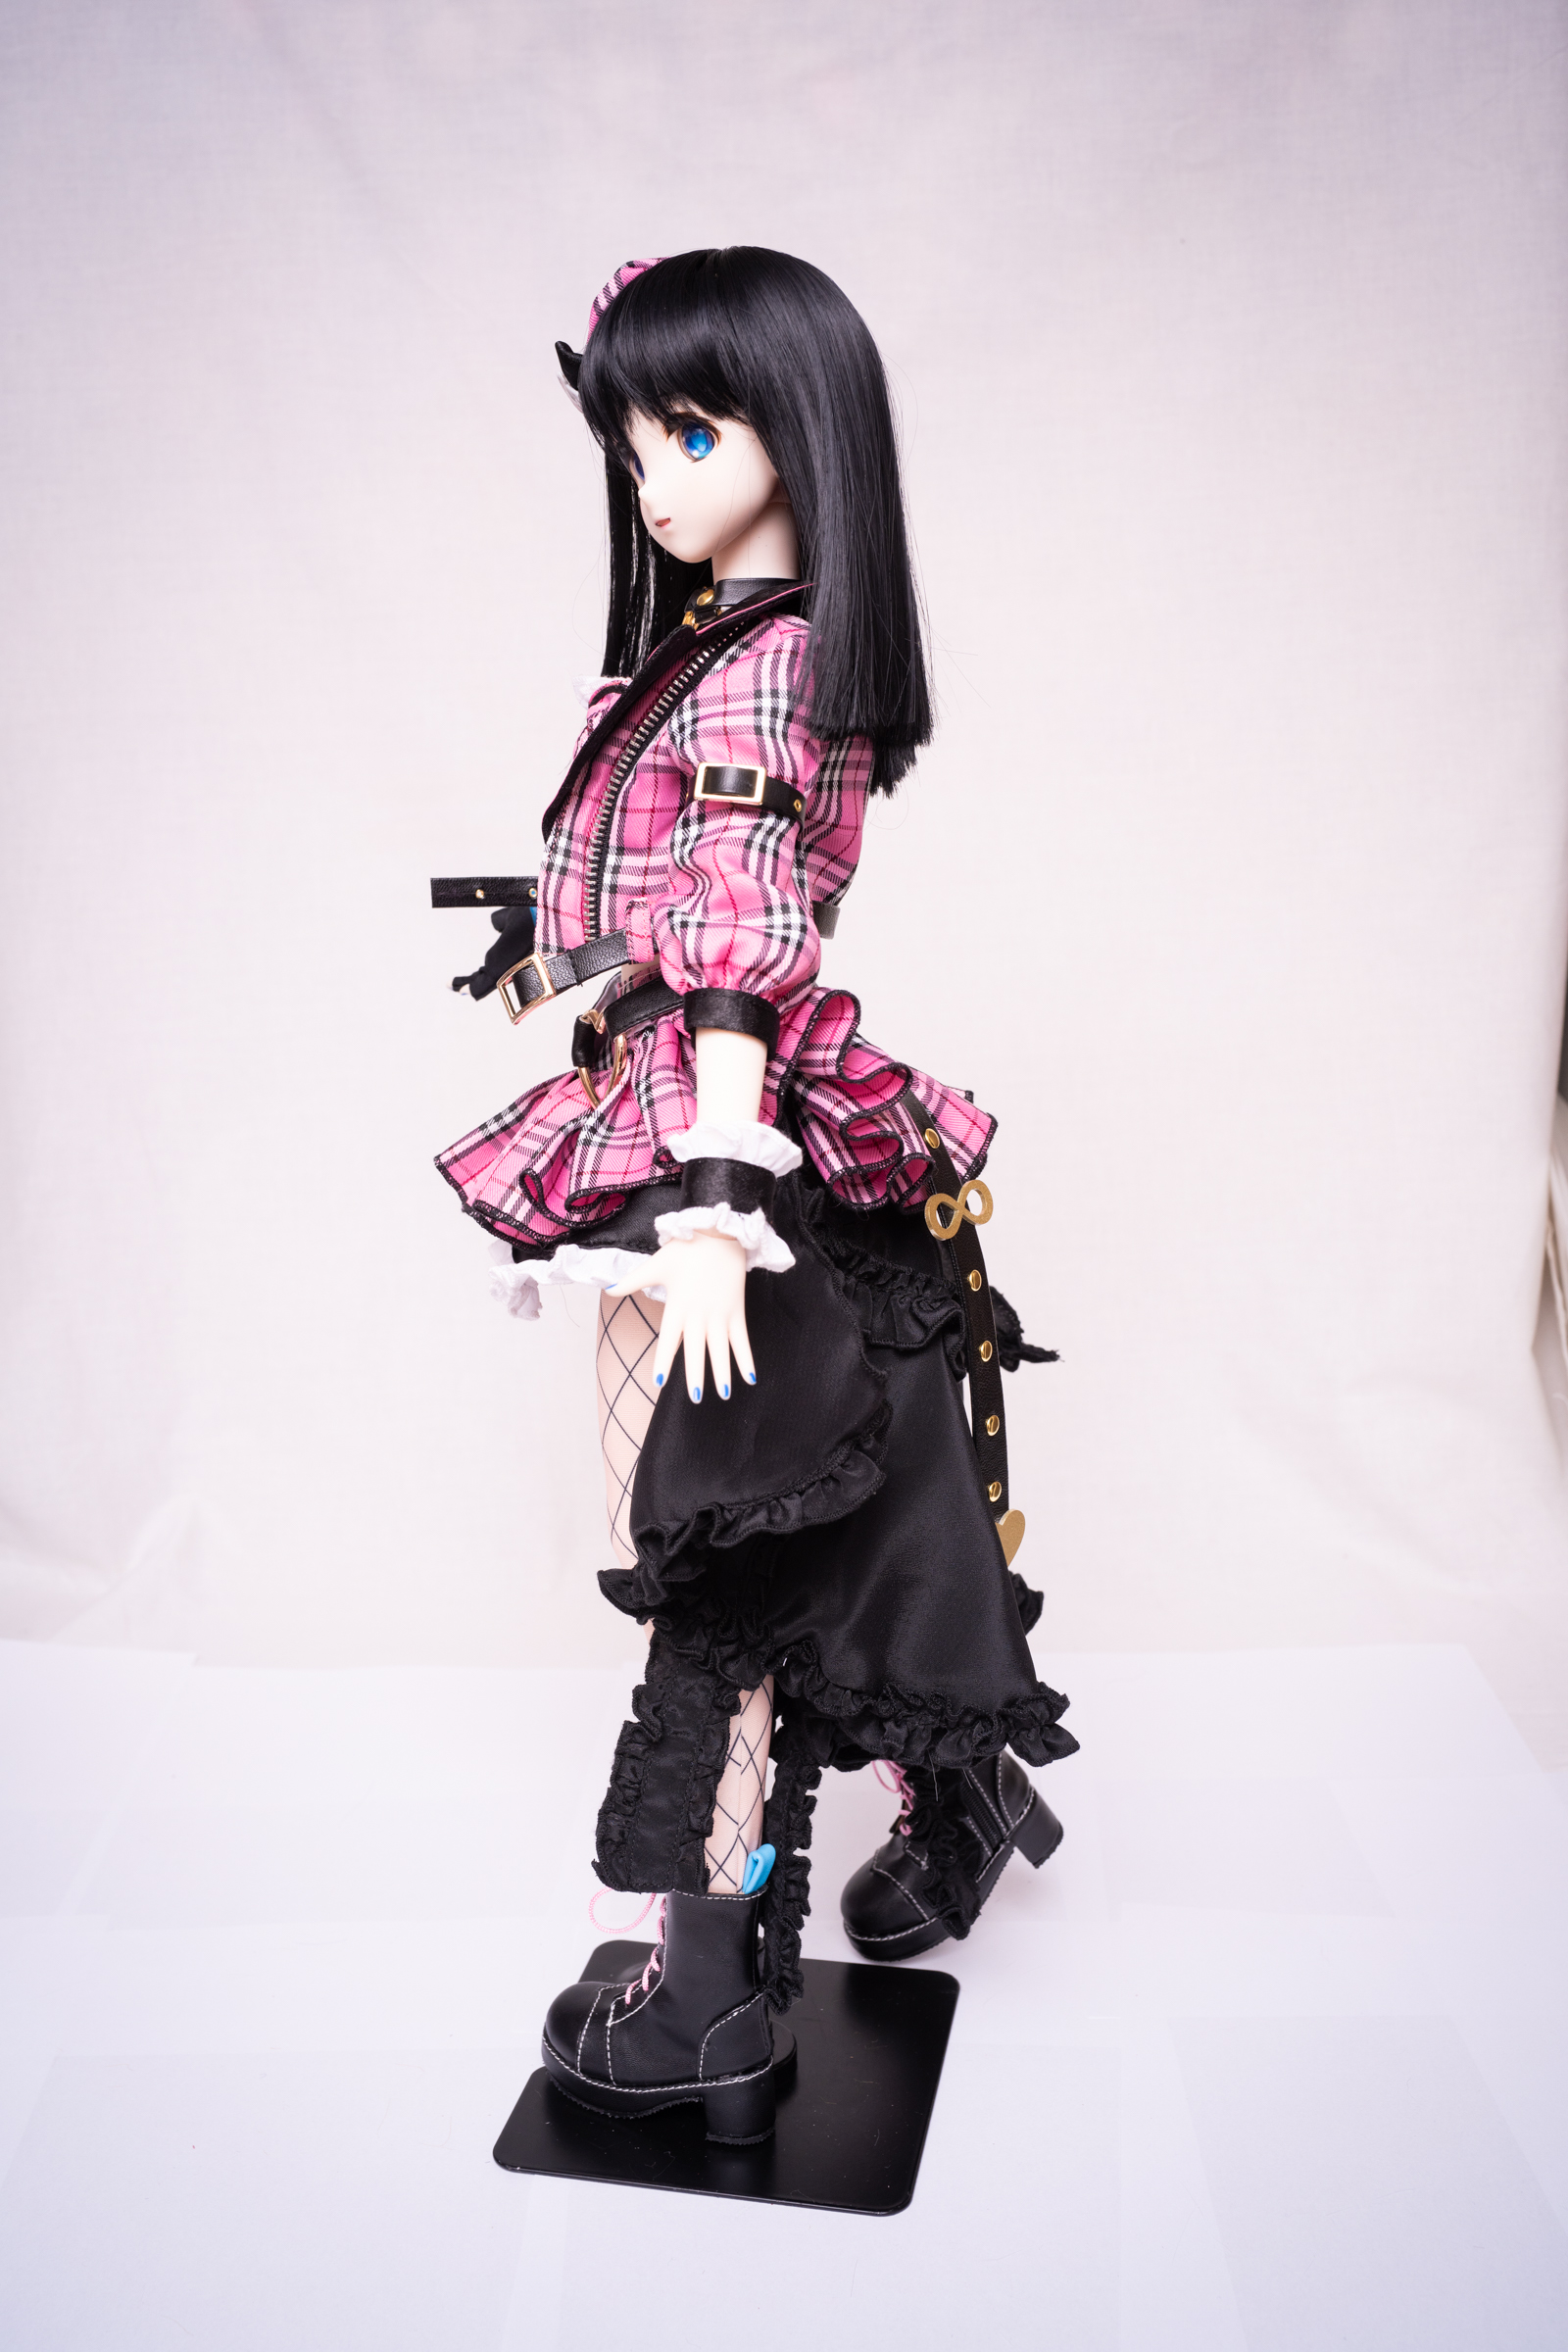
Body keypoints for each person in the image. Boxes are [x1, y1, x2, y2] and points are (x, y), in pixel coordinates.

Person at [436, 249, 1076, 2145]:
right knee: (779, 1531)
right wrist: (555, 953)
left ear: (799, 429)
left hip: (717, 1137)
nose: (651, 476)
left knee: (710, 1554)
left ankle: (712, 1999)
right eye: (633, 439)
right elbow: (674, 912)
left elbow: (739, 946)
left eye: (690, 432)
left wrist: (716, 1205)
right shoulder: (715, 649)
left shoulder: (771, 666)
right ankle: (920, 1820)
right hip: (678, 1113)